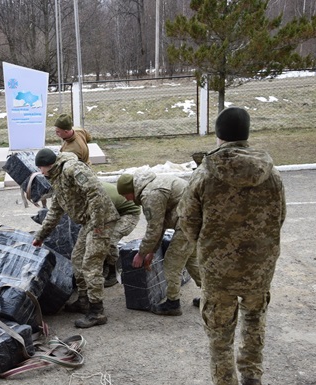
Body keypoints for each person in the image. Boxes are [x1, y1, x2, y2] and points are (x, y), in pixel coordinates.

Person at [177, 107, 286, 385]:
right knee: (253, 322)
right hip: (259, 269)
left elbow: (188, 222)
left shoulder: (204, 175)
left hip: (217, 271)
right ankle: (252, 377)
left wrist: (209, 248)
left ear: (219, 134)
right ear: (246, 134)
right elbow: (279, 217)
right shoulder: (271, 174)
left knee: (219, 334)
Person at [32, 148, 119, 328]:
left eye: (41, 168)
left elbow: (95, 191)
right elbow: (55, 211)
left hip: (101, 221)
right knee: (77, 259)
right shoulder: (58, 180)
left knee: (90, 263)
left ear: (48, 165)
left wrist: (97, 223)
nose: (41, 172)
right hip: (89, 223)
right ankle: (84, 300)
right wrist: (40, 237)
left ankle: (97, 312)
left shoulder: (72, 169)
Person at [116, 169, 201, 316]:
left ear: (131, 190)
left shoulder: (151, 194)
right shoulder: (152, 185)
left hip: (189, 223)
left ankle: (172, 304)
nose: (127, 199)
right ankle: (212, 296)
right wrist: (151, 251)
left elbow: (154, 229)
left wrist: (141, 254)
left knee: (171, 263)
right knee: (191, 260)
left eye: (125, 195)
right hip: (193, 220)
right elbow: (160, 226)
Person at [100, 181, 141, 287]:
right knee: (98, 238)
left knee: (110, 240)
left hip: (129, 214)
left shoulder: (99, 195)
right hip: (116, 211)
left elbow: (106, 217)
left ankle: (114, 271)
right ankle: (105, 265)